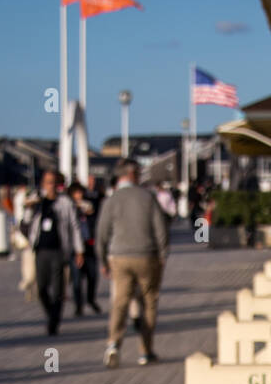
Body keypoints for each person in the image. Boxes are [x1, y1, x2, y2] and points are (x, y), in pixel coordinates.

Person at [96, 158, 167, 368]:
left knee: (121, 301)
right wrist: (163, 254)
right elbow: (160, 228)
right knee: (148, 302)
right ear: (134, 174)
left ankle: (113, 344)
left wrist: (102, 260)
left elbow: (102, 232)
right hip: (147, 255)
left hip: (120, 257)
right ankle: (145, 351)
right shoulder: (148, 197)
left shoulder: (112, 199)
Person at [20, 170, 82, 335]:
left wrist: (79, 250)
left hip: (59, 250)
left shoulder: (65, 202)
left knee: (58, 289)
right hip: (40, 250)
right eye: (48, 182)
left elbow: (74, 227)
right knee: (41, 289)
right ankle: (51, 314)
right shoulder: (39, 203)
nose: (51, 186)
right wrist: (29, 207)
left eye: (54, 182)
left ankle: (53, 322)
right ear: (43, 184)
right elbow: (26, 222)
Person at [69, 182, 102, 315]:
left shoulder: (89, 205)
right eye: (76, 193)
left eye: (81, 193)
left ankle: (90, 299)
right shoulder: (69, 208)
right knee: (76, 279)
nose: (79, 196)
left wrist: (91, 214)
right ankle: (78, 305)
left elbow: (97, 222)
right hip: (75, 249)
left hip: (89, 245)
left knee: (93, 275)